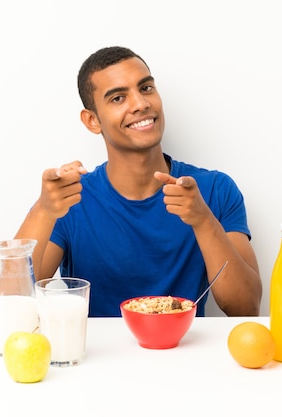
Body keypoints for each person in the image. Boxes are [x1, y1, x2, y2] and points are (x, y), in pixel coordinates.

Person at [14, 46, 262, 317]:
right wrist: (43, 210)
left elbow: (244, 307)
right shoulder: (70, 200)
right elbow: (14, 304)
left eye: (145, 89)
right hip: (97, 357)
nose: (141, 104)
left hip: (185, 354)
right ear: (92, 120)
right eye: (118, 98)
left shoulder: (215, 190)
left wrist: (203, 220)